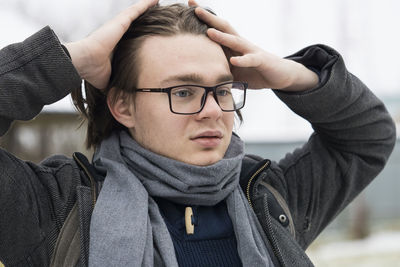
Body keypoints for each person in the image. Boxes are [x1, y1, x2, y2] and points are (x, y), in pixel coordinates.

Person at [0, 0, 396, 266]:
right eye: (183, 92)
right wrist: (72, 59)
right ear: (123, 105)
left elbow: (367, 137)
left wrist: (294, 75)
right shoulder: (56, 208)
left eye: (221, 90)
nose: (212, 111)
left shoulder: (267, 195)